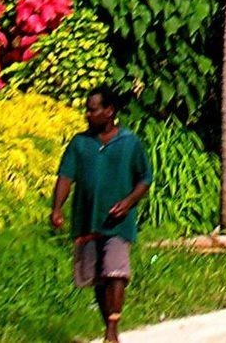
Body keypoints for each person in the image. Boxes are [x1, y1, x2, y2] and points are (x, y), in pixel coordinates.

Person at [51, 87, 153, 343]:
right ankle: (107, 324)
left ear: (109, 112)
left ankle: (112, 331)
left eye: (92, 109)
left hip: (118, 223)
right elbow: (65, 176)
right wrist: (57, 208)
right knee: (98, 279)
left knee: (116, 271)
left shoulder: (130, 143)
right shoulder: (80, 143)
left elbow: (145, 178)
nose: (87, 114)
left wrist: (128, 203)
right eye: (86, 109)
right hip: (88, 221)